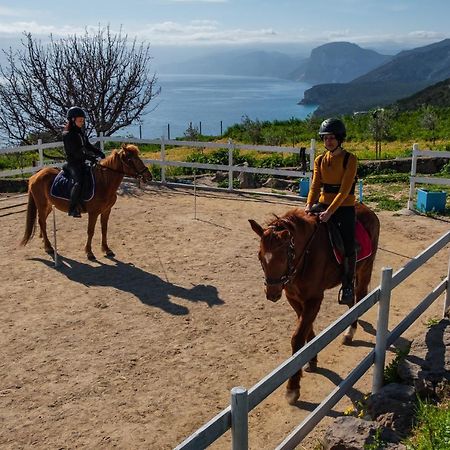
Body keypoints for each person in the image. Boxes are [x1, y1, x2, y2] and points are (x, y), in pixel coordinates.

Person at [305, 118, 358, 306]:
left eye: (332, 138)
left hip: (343, 207)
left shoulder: (349, 160)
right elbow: (314, 186)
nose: (328, 141)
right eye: (325, 138)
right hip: (322, 204)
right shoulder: (320, 160)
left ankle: (348, 283)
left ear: (340, 139)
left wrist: (329, 212)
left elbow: (344, 191)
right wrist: (309, 205)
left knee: (348, 243)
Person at [62, 106, 105, 217]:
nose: (82, 122)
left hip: (81, 162)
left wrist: (99, 152)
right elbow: (77, 153)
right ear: (72, 120)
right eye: (80, 120)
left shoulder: (80, 133)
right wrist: (91, 158)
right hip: (73, 164)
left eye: (83, 120)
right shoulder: (68, 135)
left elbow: (88, 146)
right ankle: (72, 208)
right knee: (79, 182)